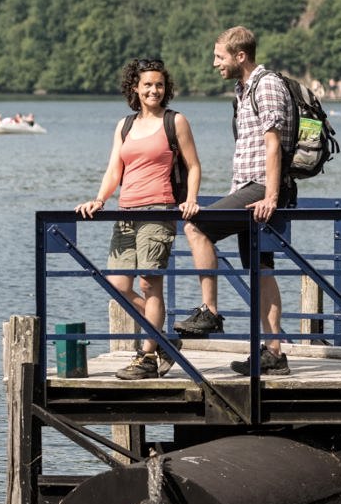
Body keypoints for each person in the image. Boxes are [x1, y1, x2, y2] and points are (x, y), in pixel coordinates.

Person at [174, 26, 297, 376]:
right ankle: (274, 353)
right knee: (261, 270)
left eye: (219, 57)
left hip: (261, 189)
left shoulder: (266, 85)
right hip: (249, 188)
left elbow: (273, 144)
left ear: (240, 56)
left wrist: (270, 195)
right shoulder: (243, 90)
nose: (215, 63)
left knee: (196, 227)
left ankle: (210, 311)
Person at [76, 57, 202, 380]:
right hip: (125, 213)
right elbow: (114, 170)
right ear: (135, 87)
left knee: (149, 284)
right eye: (147, 85)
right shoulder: (125, 125)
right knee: (118, 285)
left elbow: (193, 166)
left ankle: (147, 356)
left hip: (158, 211)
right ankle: (163, 338)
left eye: (159, 85)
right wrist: (99, 199)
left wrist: (190, 199)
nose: (154, 90)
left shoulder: (176, 121)